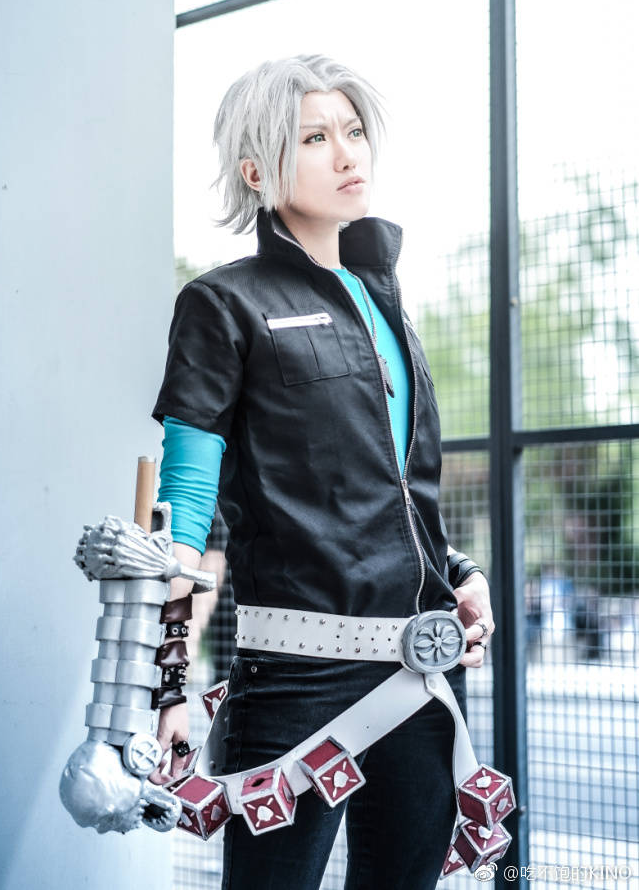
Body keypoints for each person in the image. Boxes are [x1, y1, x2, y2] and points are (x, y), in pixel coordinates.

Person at [149, 54, 495, 890]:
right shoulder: (221, 304)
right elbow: (185, 503)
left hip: (418, 675)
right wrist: (166, 679)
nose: (347, 154)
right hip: (294, 681)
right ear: (256, 172)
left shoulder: (386, 305)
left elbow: (387, 489)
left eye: (353, 131)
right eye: (314, 138)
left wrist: (459, 572)